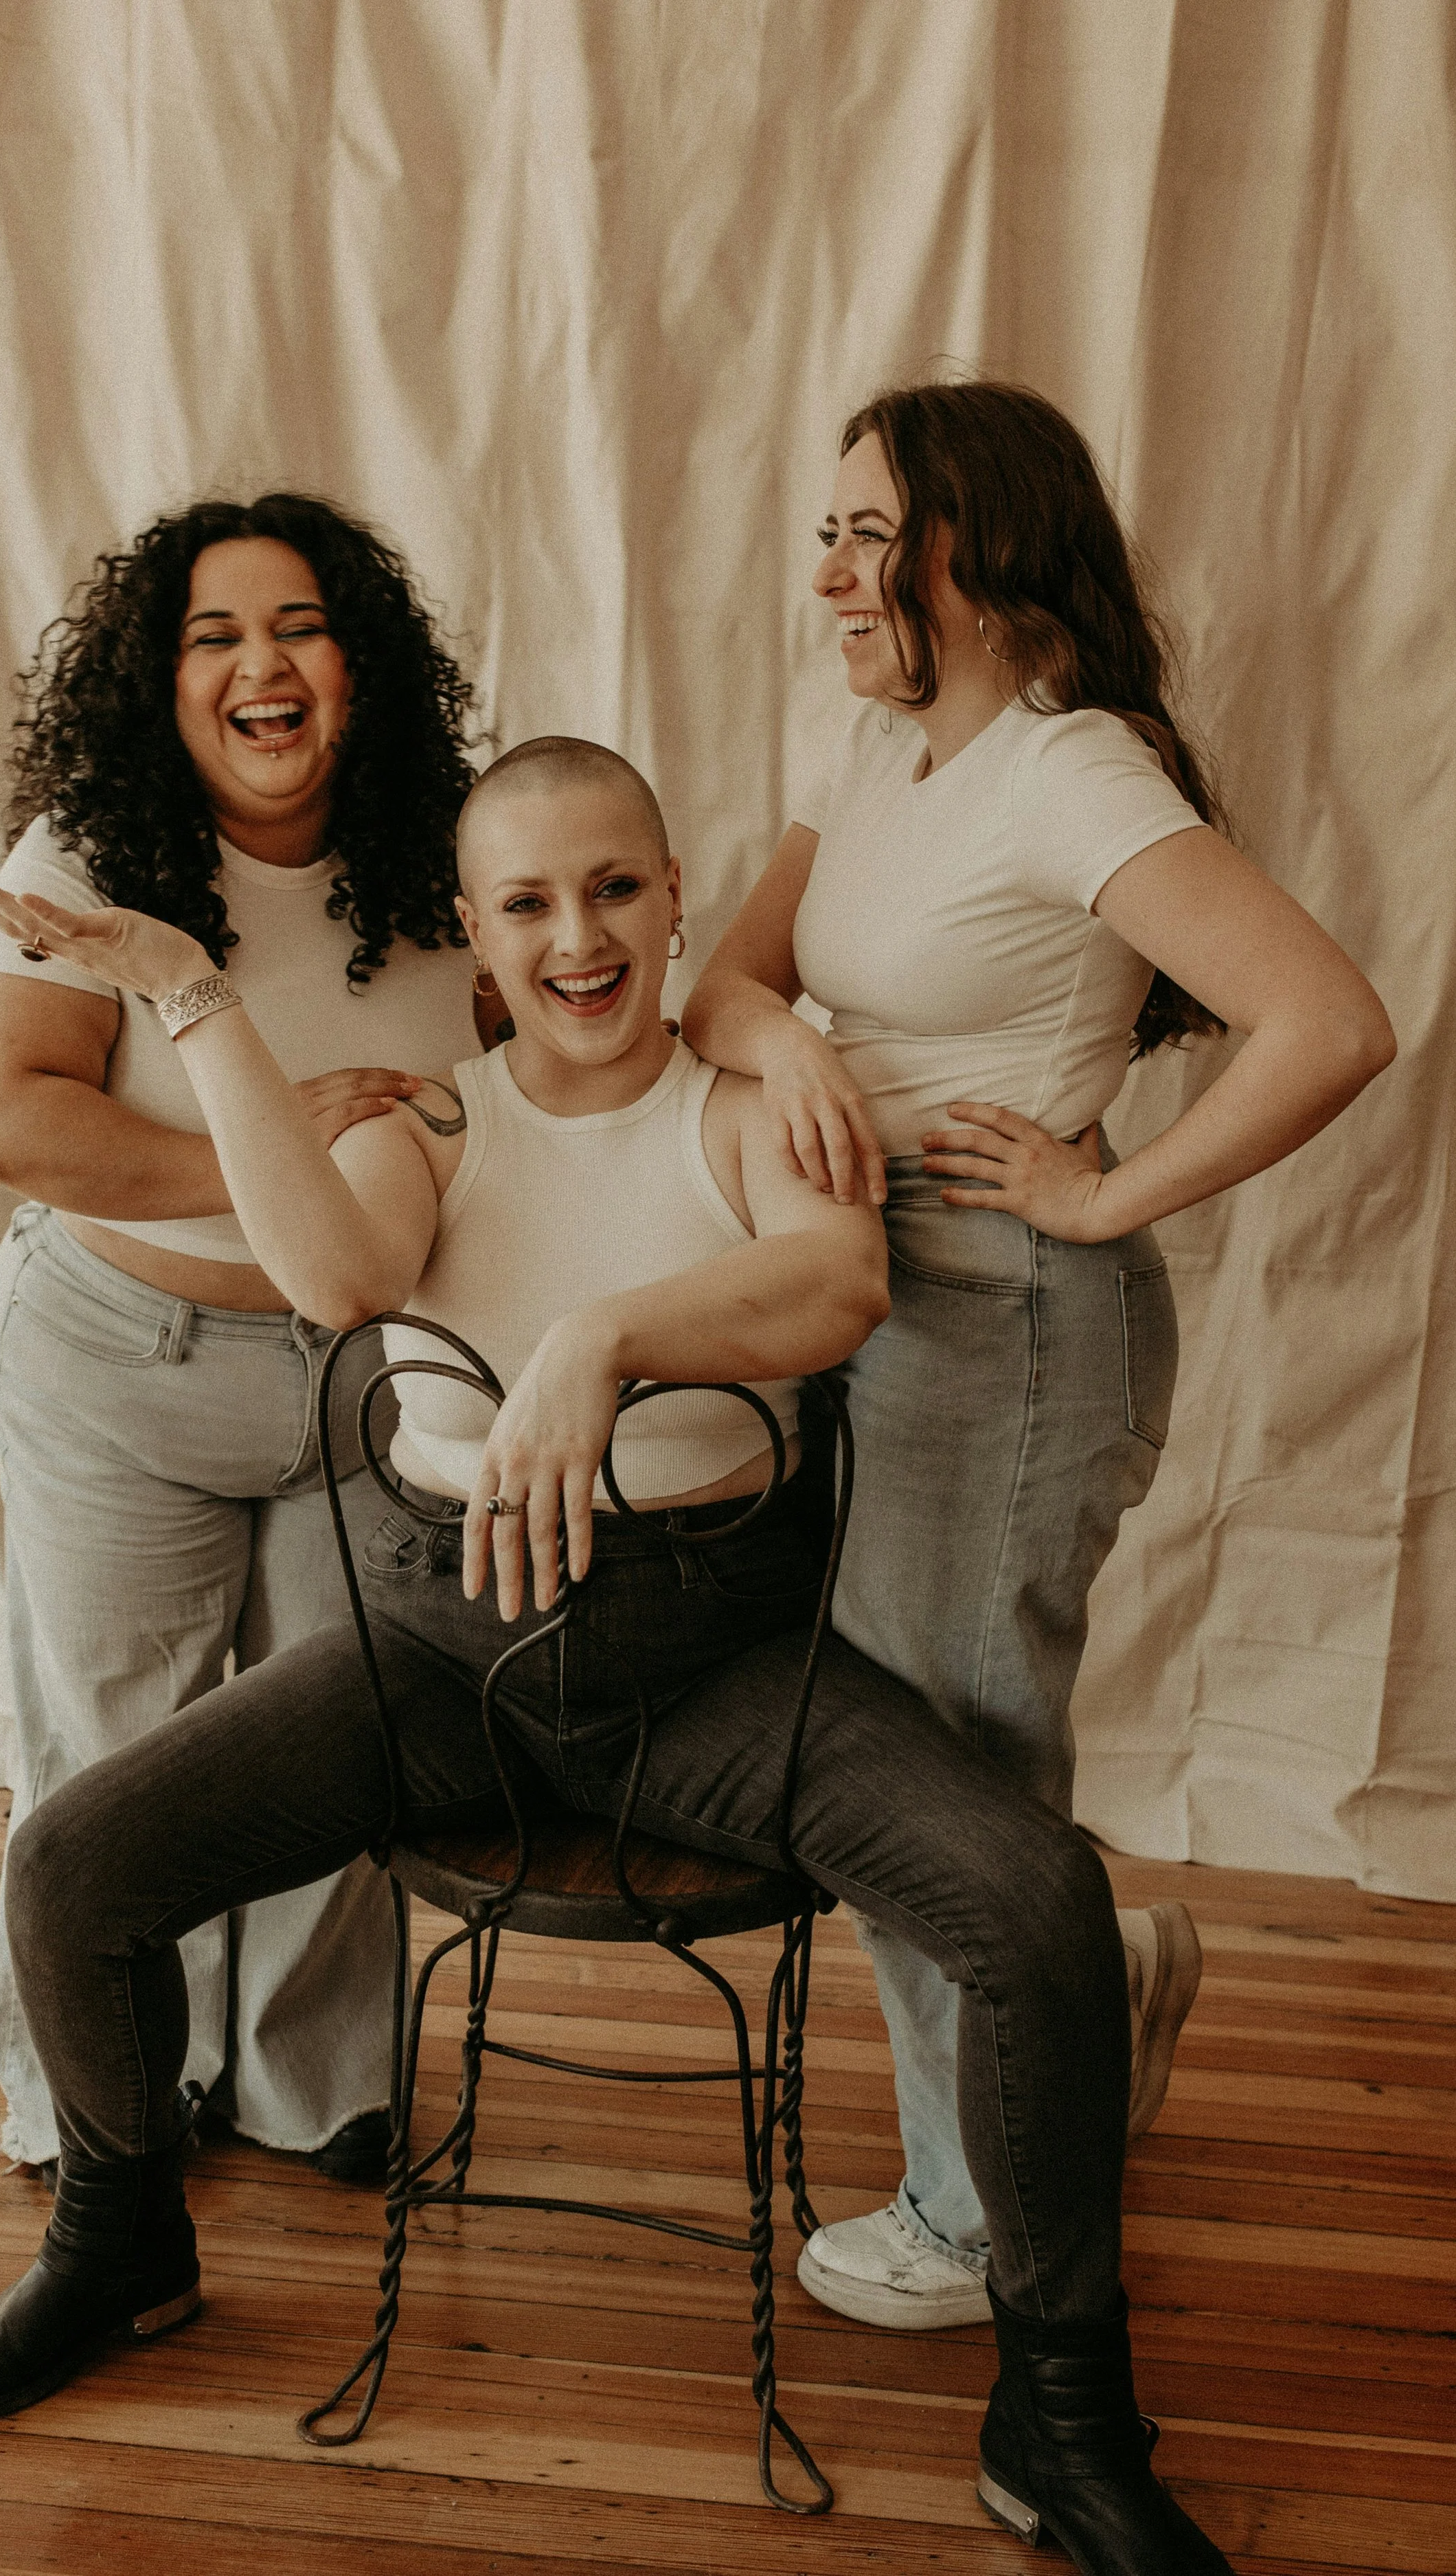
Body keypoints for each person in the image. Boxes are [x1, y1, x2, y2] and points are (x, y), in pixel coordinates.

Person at [0, 740, 1236, 2573]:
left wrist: (597, 1338)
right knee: (74, 1865)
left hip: (710, 1666)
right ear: (471, 931)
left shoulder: (749, 1110)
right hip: (441, 1648)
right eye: (526, 903)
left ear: (675, 896)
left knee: (1036, 1903)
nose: (577, 937)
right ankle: (118, 2242)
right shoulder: (432, 1122)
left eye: (613, 889)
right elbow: (332, 1277)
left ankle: (1064, 2421)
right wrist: (193, 996)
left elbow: (838, 1282)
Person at [682, 380, 1397, 2332]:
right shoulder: (882, 748)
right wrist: (795, 1043)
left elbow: (1328, 1022)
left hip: (997, 1319)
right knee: (902, 1752)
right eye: (827, 532)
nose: (829, 574)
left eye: (867, 534)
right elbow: (722, 982)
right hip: (855, 1284)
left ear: (980, 552)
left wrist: (1099, 1194)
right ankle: (1101, 1990)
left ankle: (976, 2216)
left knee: (948, 1774)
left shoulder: (1071, 768)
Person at [0, 493, 496, 2183]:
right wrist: (276, 1145)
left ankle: (311, 2084)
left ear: (359, 665)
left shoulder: (446, 848)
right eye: (214, 636)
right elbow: (5, 1122)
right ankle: (98, 2107)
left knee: (332, 1745)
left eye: (299, 627)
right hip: (128, 1365)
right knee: (113, 1750)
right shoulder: (87, 858)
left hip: (367, 1382)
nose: (262, 665)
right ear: (160, 679)